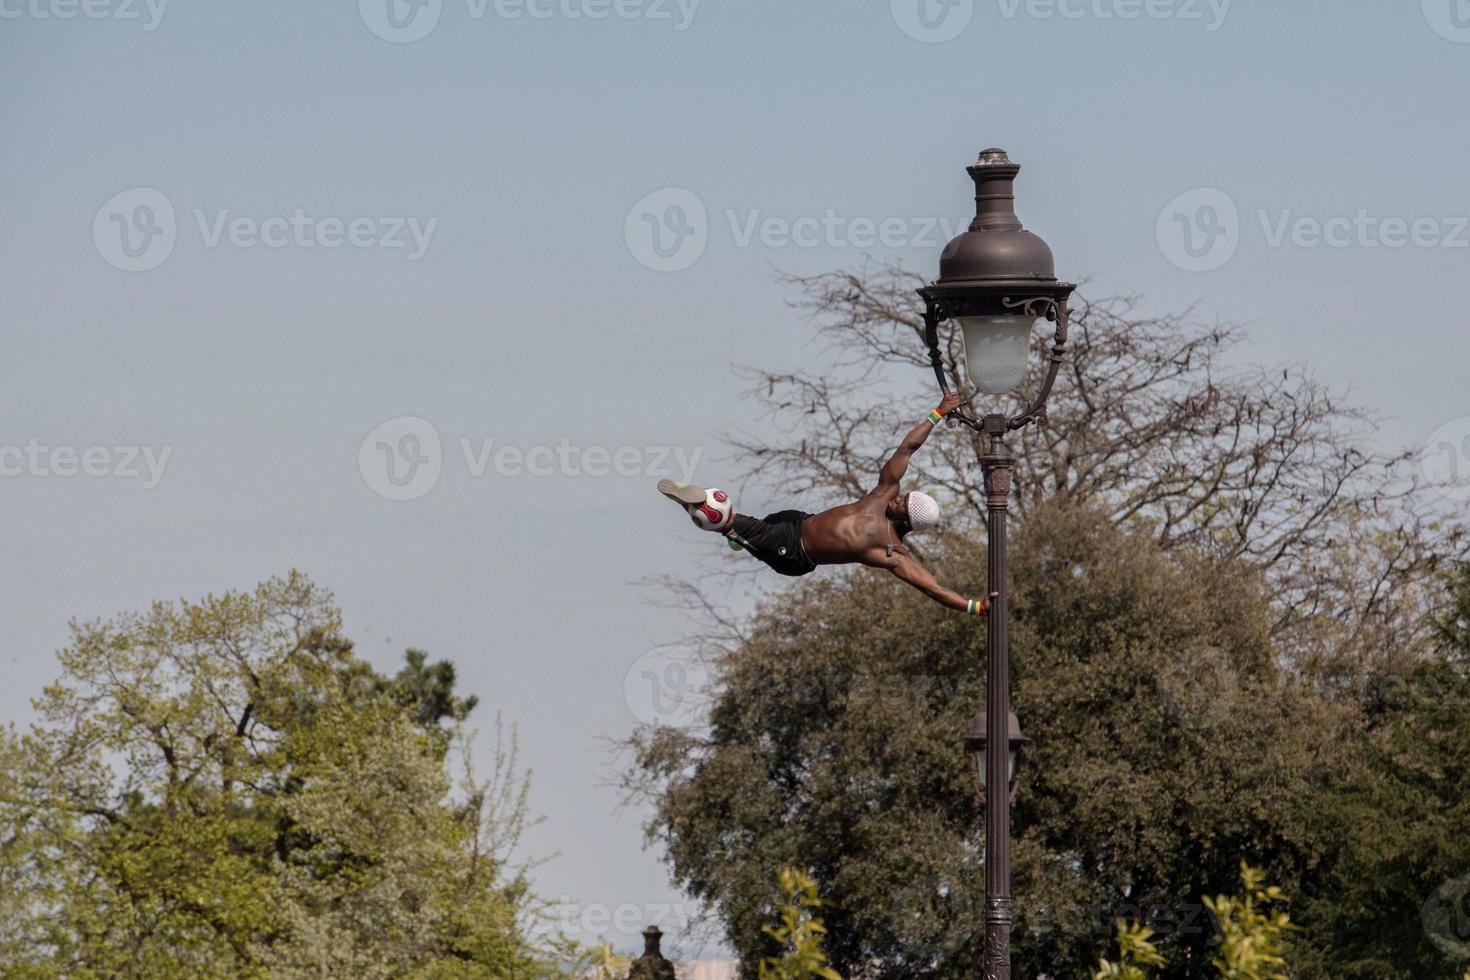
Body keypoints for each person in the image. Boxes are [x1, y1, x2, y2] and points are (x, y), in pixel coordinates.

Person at [658, 393, 995, 616]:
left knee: (730, 520)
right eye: (904, 496)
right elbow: (907, 449)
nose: (899, 497)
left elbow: (931, 587)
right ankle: (737, 535)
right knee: (755, 526)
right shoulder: (884, 493)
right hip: (796, 521)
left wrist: (975, 607)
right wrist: (936, 414)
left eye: (903, 502)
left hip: (794, 553)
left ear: (907, 518)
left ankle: (708, 512)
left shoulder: (892, 552)